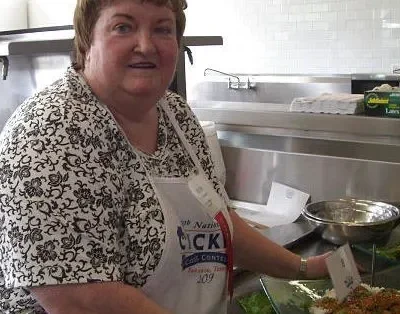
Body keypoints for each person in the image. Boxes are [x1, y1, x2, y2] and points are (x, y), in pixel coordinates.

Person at [0, 0, 329, 313]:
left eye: (162, 29)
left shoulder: (177, 115)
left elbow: (222, 223)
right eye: (123, 27)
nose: (146, 45)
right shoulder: (49, 132)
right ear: (87, 40)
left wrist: (303, 267)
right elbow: (80, 299)